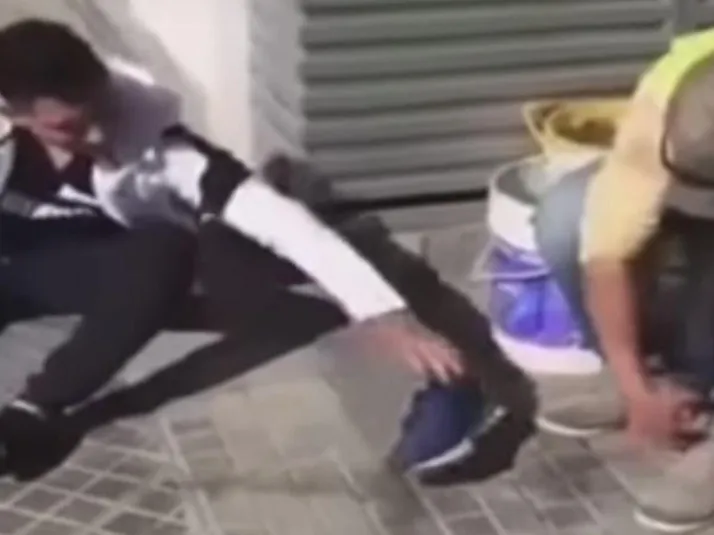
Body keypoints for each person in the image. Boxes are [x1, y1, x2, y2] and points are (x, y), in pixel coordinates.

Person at [0, 20, 524, 481]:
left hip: (112, 271)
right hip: (18, 271)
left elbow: (280, 221)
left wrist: (384, 314)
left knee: (183, 252)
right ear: (14, 113)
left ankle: (32, 411)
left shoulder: (164, 145)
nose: (96, 133)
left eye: (99, 109)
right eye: (67, 128)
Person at [533, 28, 714, 532]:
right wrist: (636, 388)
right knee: (566, 217)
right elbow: (606, 256)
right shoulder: (671, 92)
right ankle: (657, 383)